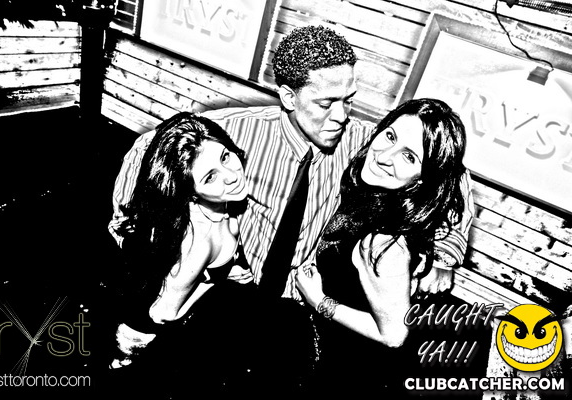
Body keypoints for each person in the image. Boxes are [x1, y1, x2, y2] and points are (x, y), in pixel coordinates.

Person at [109, 24, 474, 303]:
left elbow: (451, 175)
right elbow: (146, 148)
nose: (340, 116)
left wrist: (445, 256)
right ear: (288, 96)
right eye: (325, 103)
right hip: (230, 293)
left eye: (348, 100)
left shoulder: (366, 143)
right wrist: (132, 232)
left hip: (303, 302)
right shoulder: (239, 132)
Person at [295, 98, 469, 396]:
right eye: (390, 136)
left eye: (409, 157)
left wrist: (319, 301)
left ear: (421, 179)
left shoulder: (384, 242)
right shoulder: (374, 193)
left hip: (348, 370)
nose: (385, 156)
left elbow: (393, 335)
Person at [107, 112, 257, 397]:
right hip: (141, 338)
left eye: (225, 157)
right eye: (210, 177)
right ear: (191, 193)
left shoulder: (219, 206)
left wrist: (231, 270)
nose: (231, 176)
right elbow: (164, 313)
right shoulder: (199, 244)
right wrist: (215, 282)